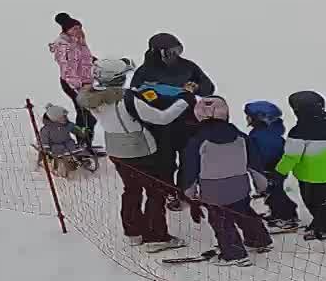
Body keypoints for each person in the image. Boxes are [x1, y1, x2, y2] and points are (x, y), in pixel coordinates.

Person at [79, 56, 192, 251]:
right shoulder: (127, 99)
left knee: (131, 191)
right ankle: (157, 237)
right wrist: (185, 100)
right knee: (155, 192)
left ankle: (133, 232)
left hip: (115, 150)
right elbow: (163, 118)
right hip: (141, 151)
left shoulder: (91, 99)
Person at [181, 96, 273, 266]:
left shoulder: (196, 141)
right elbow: (254, 165)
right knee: (244, 212)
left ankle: (234, 254)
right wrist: (262, 185)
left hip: (212, 190)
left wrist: (189, 191)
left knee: (221, 221)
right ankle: (259, 239)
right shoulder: (242, 137)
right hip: (240, 187)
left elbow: (190, 169)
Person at [129, 32, 215, 205]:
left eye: (178, 50)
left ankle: (186, 189)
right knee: (165, 162)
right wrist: (153, 98)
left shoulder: (188, 67)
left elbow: (209, 87)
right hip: (160, 127)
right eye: (170, 52)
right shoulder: (144, 72)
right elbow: (134, 97)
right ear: (157, 53)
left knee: (188, 159)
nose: (175, 55)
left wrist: (196, 87)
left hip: (187, 123)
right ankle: (169, 191)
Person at [277, 90, 326, 240]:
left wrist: (279, 172)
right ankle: (323, 222)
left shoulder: (299, 131)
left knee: (313, 202)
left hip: (308, 175)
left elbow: (291, 157)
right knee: (324, 200)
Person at [245, 100, 300, 231]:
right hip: (274, 168)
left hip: (271, 168)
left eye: (250, 116)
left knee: (274, 193)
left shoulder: (262, 136)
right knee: (273, 192)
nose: (247, 119)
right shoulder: (268, 131)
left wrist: (260, 167)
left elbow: (265, 153)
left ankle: (286, 217)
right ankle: (279, 213)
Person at [49, 13, 96, 146]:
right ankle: (83, 143)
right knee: (86, 115)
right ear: (67, 30)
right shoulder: (64, 46)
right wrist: (79, 87)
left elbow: (86, 59)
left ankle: (85, 143)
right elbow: (67, 69)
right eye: (74, 28)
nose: (78, 31)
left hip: (85, 83)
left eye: (79, 27)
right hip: (72, 84)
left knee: (88, 115)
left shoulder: (78, 41)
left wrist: (98, 63)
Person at [37, 105, 89, 175]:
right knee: (60, 155)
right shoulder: (46, 130)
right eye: (63, 117)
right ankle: (60, 167)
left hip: (68, 143)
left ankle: (77, 160)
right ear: (55, 119)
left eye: (65, 116)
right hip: (55, 147)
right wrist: (46, 149)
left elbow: (75, 129)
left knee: (73, 150)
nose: (65, 118)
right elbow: (44, 140)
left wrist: (82, 132)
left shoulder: (67, 125)